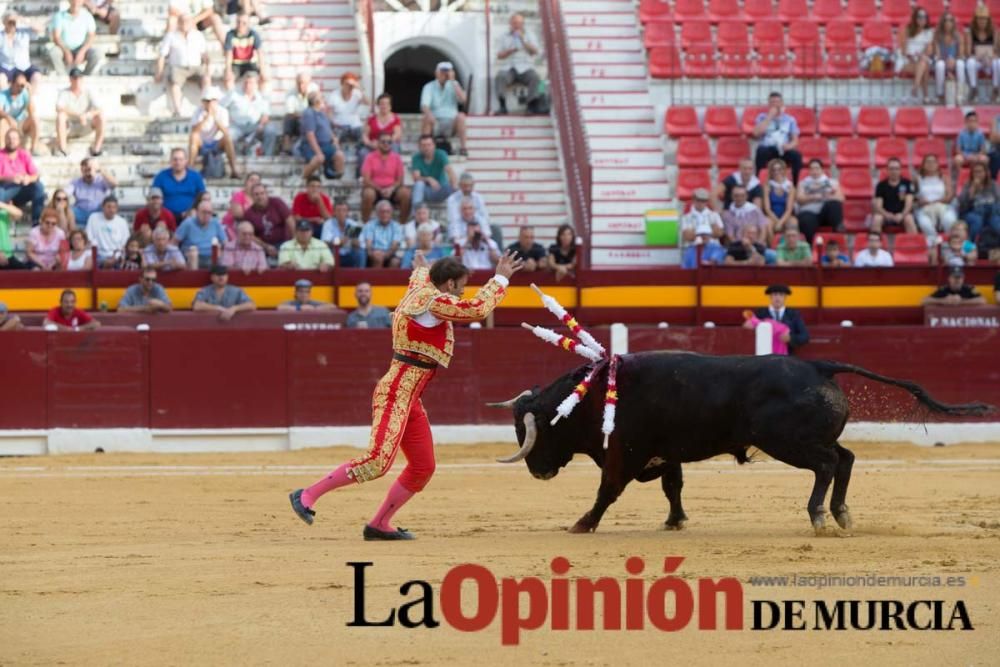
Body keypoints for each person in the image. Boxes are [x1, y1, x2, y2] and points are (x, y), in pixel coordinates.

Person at [290, 251, 523, 539]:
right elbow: (476, 309)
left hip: (409, 397)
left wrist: (422, 269)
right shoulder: (436, 302)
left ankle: (379, 524)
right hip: (395, 394)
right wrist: (500, 278)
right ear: (449, 284)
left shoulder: (421, 291)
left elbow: (419, 277)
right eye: (460, 286)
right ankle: (307, 495)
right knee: (377, 461)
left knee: (423, 466)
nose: (462, 292)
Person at [154, 14, 210, 117]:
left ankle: (207, 109)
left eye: (187, 21)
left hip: (196, 67)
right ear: (178, 23)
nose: (185, 23)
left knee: (206, 79)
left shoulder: (198, 35)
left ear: (191, 23)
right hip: (178, 68)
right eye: (182, 21)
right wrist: (159, 72)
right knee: (175, 80)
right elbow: (162, 55)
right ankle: (177, 110)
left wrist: (208, 70)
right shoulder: (171, 36)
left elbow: (205, 55)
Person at [495, 13, 541, 114]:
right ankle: (502, 106)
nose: (517, 25)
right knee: (500, 77)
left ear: (523, 24)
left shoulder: (530, 34)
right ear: (510, 24)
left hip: (526, 66)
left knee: (535, 78)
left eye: (519, 23)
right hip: (509, 67)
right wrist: (510, 51)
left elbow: (534, 51)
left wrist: (523, 40)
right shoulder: (504, 36)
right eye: (515, 23)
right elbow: (499, 55)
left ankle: (531, 105)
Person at [189, 88, 239, 179]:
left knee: (228, 138)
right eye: (206, 101)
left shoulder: (223, 111)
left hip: (217, 142)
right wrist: (205, 119)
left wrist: (215, 118)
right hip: (202, 143)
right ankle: (190, 168)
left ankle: (234, 169)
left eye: (211, 101)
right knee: (194, 137)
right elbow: (194, 131)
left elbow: (225, 132)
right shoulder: (198, 111)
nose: (209, 103)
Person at [420, 61, 468, 156]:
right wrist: (430, 116)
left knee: (461, 116)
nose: (445, 74)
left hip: (452, 122)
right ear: (437, 73)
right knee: (426, 118)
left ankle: (463, 148)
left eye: (447, 71)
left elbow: (463, 100)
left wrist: (453, 82)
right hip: (435, 121)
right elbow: (424, 106)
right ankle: (424, 148)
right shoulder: (429, 86)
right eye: (442, 71)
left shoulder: (455, 85)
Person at [360, 131, 410, 222]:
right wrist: (380, 189)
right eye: (383, 142)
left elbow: (400, 180)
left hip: (392, 191)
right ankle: (365, 224)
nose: (386, 144)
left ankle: (402, 225)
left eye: (389, 142)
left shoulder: (397, 158)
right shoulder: (370, 157)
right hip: (375, 190)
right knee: (368, 194)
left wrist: (391, 189)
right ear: (378, 143)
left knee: (406, 193)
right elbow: (366, 180)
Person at [223, 71, 276, 156]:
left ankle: (266, 157)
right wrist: (227, 119)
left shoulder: (261, 96)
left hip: (255, 126)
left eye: (251, 83)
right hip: (237, 126)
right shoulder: (234, 94)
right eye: (245, 82)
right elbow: (221, 107)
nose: (247, 85)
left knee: (271, 130)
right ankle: (234, 158)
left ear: (256, 84)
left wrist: (261, 125)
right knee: (229, 135)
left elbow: (266, 115)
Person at [752, 91, 802, 183]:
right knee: (761, 151)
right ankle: (758, 182)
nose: (775, 104)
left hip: (783, 149)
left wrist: (789, 146)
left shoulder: (790, 119)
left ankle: (795, 185)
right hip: (768, 149)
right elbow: (756, 134)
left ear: (782, 103)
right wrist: (769, 117)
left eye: (777, 102)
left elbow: (795, 140)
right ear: (768, 104)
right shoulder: (762, 117)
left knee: (796, 155)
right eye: (772, 102)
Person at [0, 128, 45, 225]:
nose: (12, 141)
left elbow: (36, 175)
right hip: (4, 188)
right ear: (5, 140)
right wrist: (10, 178)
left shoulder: (24, 154)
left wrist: (28, 179)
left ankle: (36, 222)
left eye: (14, 138)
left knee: (39, 187)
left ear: (19, 141)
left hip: (22, 189)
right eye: (9, 138)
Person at [795, 159, 844, 244]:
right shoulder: (802, 183)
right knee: (806, 219)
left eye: (817, 168)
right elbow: (799, 199)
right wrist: (814, 197)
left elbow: (840, 198)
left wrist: (825, 195)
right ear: (809, 171)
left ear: (822, 170)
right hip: (809, 212)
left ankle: (838, 237)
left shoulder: (832, 182)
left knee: (834, 205)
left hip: (826, 212)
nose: (815, 171)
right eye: (812, 169)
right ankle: (810, 247)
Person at [47, 0, 101, 76]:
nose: (76, 2)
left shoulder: (87, 16)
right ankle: (63, 77)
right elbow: (56, 37)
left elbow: (91, 36)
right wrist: (66, 51)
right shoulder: (59, 16)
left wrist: (82, 51)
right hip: (63, 48)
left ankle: (85, 77)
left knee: (97, 53)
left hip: (81, 48)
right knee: (54, 53)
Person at [241, 183, 294, 261]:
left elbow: (290, 222)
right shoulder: (248, 214)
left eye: (262, 193)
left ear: (266, 194)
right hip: (262, 247)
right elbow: (250, 235)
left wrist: (294, 243)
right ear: (251, 197)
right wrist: (266, 247)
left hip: (284, 243)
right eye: (256, 194)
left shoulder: (277, 202)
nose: (260, 197)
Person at [299, 91, 344, 181]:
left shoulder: (322, 113)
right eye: (322, 98)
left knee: (340, 156)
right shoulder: (309, 113)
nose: (324, 99)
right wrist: (318, 152)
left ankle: (336, 180)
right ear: (316, 101)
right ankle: (302, 177)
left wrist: (335, 142)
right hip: (311, 146)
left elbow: (328, 130)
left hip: (326, 145)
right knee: (319, 158)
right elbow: (310, 135)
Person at [152, 147, 206, 221]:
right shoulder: (161, 176)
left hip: (190, 216)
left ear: (186, 161)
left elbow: (203, 197)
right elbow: (154, 198)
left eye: (181, 159)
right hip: (166, 217)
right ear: (170, 161)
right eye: (175, 159)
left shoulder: (195, 177)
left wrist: (194, 210)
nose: (178, 162)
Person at [752, 284, 809, 352]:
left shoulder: (793, 314)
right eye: (775, 294)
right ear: (770, 297)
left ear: (785, 297)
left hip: (787, 356)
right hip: (765, 355)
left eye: (781, 295)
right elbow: (750, 331)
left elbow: (805, 336)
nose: (778, 298)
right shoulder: (760, 313)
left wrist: (791, 338)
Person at [914, 153, 957, 239]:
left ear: (937, 164)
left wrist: (937, 201)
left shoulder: (944, 178)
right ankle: (934, 245)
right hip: (925, 208)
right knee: (925, 224)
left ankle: (950, 244)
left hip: (943, 206)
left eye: (933, 162)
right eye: (928, 162)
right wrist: (920, 200)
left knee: (950, 220)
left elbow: (950, 195)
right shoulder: (917, 179)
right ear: (923, 164)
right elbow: (914, 196)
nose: (931, 164)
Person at [962, 4, 1000, 102]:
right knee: (970, 62)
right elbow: (968, 52)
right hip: (977, 59)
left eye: (984, 19)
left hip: (990, 59)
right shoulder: (970, 32)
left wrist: (991, 58)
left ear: (988, 20)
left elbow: (996, 51)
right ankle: (974, 88)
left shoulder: (994, 31)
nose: (982, 21)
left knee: (998, 63)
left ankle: (996, 88)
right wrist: (978, 58)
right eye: (979, 19)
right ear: (976, 19)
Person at [358, 93, 402, 176]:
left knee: (395, 148)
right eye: (382, 104)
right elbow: (365, 135)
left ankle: (393, 175)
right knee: (363, 153)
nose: (384, 106)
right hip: (373, 145)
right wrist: (369, 143)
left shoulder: (395, 118)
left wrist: (384, 143)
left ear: (390, 106)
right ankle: (364, 176)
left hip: (388, 145)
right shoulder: (371, 119)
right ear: (378, 106)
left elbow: (397, 134)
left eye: (386, 104)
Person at [680, 188, 724, 269]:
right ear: (693, 200)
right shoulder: (686, 217)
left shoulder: (714, 215)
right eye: (698, 200)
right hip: (693, 248)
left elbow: (719, 233)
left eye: (703, 200)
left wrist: (695, 233)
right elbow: (687, 237)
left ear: (707, 201)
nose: (701, 203)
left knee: (719, 252)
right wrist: (711, 230)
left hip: (713, 248)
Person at [175, 198, 226, 268]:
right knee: (193, 253)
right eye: (204, 212)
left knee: (221, 253)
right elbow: (174, 242)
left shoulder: (216, 223)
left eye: (209, 213)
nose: (206, 215)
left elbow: (225, 243)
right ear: (197, 212)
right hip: (192, 256)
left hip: (211, 255)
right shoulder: (188, 223)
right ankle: (193, 278)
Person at [411, 134, 456, 210]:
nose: (426, 148)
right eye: (423, 145)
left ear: (434, 146)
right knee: (418, 184)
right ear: (419, 147)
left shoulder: (441, 154)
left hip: (441, 189)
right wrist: (429, 179)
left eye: (429, 145)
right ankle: (416, 215)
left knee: (452, 188)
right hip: (426, 191)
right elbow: (416, 178)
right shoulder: (416, 157)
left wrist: (454, 186)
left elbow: (450, 172)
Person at [872, 157, 918, 234]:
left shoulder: (907, 183)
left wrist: (902, 215)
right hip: (886, 215)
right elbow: (878, 206)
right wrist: (887, 214)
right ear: (887, 170)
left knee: (909, 218)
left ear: (900, 170)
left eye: (896, 168)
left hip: (902, 214)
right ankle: (876, 245)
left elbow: (909, 204)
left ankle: (915, 244)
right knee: (877, 218)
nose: (894, 171)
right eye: (891, 168)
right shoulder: (881, 185)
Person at [223, 12, 267, 90]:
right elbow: (228, 54)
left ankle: (260, 99)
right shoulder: (230, 34)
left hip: (249, 64)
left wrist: (263, 70)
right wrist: (228, 70)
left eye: (244, 23)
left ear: (248, 24)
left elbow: (260, 53)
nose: (240, 25)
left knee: (264, 78)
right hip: (235, 65)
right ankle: (232, 99)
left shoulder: (254, 34)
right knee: (228, 79)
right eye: (238, 22)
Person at [897, 7, 934, 101]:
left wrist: (920, 56)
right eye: (920, 17)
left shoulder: (929, 32)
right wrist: (912, 57)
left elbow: (929, 51)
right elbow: (903, 51)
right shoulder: (907, 30)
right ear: (915, 18)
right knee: (924, 65)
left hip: (921, 59)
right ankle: (925, 95)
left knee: (923, 62)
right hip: (905, 60)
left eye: (925, 17)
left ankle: (915, 89)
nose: (922, 19)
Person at [957, 161, 1000, 240]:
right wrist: (972, 191)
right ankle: (971, 245)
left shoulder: (993, 185)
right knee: (977, 221)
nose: (978, 174)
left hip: (991, 213)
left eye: (980, 171)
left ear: (986, 173)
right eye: (975, 172)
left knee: (997, 223)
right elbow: (962, 207)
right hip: (973, 212)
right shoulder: (968, 185)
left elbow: (998, 201)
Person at [0, 12, 41, 90]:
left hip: (24, 66)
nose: (12, 24)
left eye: (14, 22)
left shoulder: (24, 32)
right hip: (6, 67)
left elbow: (40, 29)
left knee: (37, 77)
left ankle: (30, 99)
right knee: (1, 79)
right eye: (9, 22)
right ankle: (5, 100)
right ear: (4, 22)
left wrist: (23, 19)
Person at [320, 198, 365, 268]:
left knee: (361, 253)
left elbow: (358, 244)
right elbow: (325, 243)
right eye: (338, 210)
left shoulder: (353, 224)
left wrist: (342, 241)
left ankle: (361, 276)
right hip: (334, 254)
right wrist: (339, 241)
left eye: (344, 210)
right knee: (326, 253)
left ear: (347, 212)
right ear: (334, 212)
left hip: (349, 253)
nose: (341, 213)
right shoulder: (328, 223)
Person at [85, 195, 129, 267]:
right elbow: (89, 238)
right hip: (98, 255)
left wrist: (115, 257)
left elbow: (125, 243)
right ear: (103, 207)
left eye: (114, 207)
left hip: (117, 256)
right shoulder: (93, 218)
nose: (111, 210)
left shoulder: (122, 222)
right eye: (108, 207)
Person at [327, 72, 368, 147]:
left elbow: (368, 102)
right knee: (334, 141)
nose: (350, 87)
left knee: (364, 139)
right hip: (339, 125)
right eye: (347, 84)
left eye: (352, 85)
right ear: (342, 84)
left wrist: (360, 88)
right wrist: (332, 122)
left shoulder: (357, 93)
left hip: (355, 125)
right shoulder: (334, 95)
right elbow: (329, 112)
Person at [70, 157, 114, 224]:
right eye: (85, 170)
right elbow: (64, 193)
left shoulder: (102, 180)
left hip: (98, 211)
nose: (88, 172)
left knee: (108, 207)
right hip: (81, 211)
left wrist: (100, 170)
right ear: (81, 170)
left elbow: (114, 184)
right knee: (66, 209)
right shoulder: (75, 182)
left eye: (90, 169)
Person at [0, 72, 36, 154]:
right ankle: (2, 153)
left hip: (21, 123)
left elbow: (31, 112)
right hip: (7, 123)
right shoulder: (3, 94)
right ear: (12, 83)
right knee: (2, 123)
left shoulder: (24, 93)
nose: (20, 88)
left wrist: (29, 95)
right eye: (18, 85)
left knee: (35, 119)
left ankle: (33, 148)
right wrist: (8, 118)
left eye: (22, 85)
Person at [282, 72, 318, 155]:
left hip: (310, 121)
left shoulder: (314, 90)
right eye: (299, 83)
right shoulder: (290, 93)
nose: (301, 85)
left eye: (304, 83)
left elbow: (316, 109)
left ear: (309, 83)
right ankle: (286, 143)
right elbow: (290, 112)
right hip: (297, 121)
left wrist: (303, 115)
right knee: (288, 118)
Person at [932, 12, 964, 103]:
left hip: (954, 60)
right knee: (940, 65)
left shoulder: (958, 36)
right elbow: (937, 55)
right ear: (943, 22)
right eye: (946, 20)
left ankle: (960, 94)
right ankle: (940, 93)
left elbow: (961, 54)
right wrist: (946, 62)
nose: (948, 22)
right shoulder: (937, 36)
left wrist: (954, 60)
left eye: (950, 20)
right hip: (942, 59)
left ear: (953, 23)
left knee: (960, 64)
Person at [362, 200, 403, 268]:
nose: (385, 214)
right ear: (377, 213)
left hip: (390, 253)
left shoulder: (396, 226)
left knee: (395, 262)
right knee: (378, 257)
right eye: (382, 212)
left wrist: (386, 254)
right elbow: (368, 244)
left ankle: (390, 279)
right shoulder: (370, 225)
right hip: (374, 253)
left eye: (387, 212)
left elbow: (394, 245)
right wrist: (373, 253)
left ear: (391, 213)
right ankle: (376, 278)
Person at [761, 158, 797, 237]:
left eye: (779, 169)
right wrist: (776, 221)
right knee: (767, 223)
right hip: (771, 215)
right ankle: (772, 247)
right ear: (771, 172)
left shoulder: (790, 187)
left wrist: (780, 222)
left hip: (786, 216)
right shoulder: (767, 186)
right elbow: (767, 209)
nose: (777, 172)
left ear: (784, 170)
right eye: (774, 170)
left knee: (793, 222)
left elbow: (789, 209)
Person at [221, 171, 259, 235]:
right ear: (246, 183)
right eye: (251, 180)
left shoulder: (259, 198)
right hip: (231, 228)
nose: (254, 183)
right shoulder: (238, 195)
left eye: (257, 181)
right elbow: (239, 215)